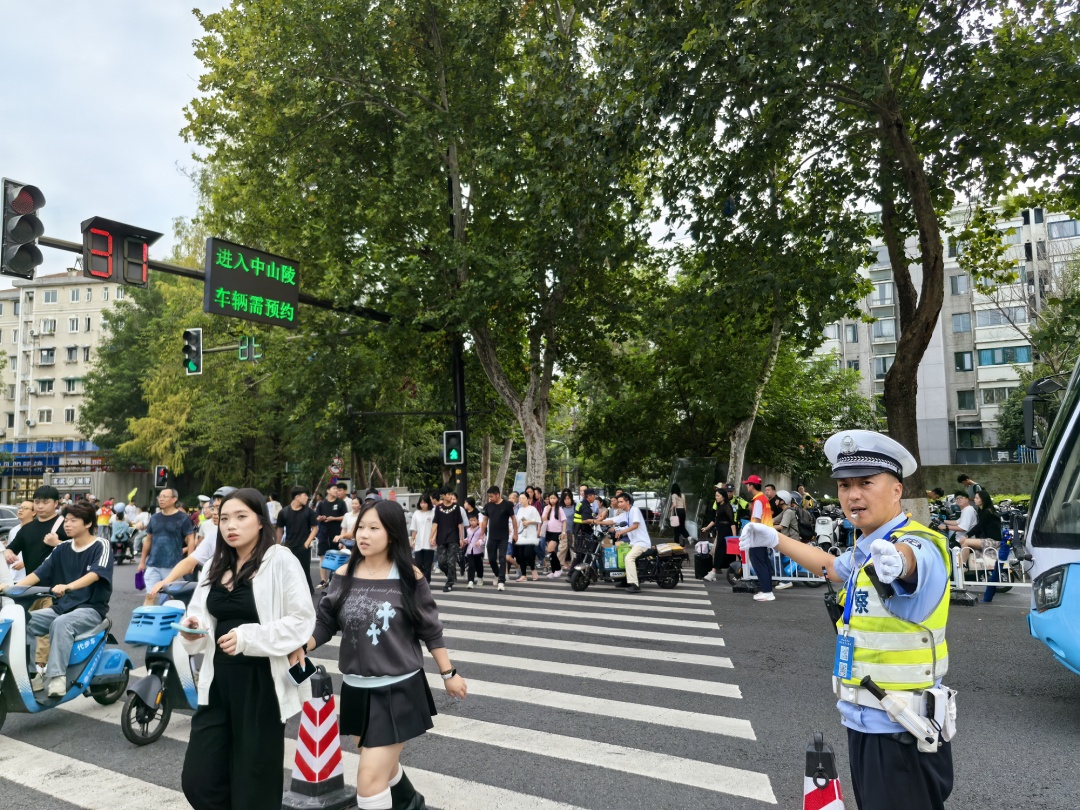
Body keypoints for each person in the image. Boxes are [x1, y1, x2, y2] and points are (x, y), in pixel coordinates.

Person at [739, 429, 955, 810]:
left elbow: (913, 560)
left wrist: (901, 561)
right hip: (869, 720)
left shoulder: (918, 543)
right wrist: (773, 539)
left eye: (866, 483)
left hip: (900, 727)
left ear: (896, 490)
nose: (853, 495)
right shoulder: (867, 547)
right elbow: (831, 567)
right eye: (844, 485)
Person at [300, 499, 466, 810]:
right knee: (377, 759)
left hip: (398, 688)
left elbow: (429, 629)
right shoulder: (346, 572)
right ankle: (410, 802)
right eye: (361, 527)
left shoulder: (408, 575)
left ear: (392, 534)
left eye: (374, 528)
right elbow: (326, 621)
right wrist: (305, 645)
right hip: (356, 687)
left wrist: (449, 674)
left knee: (368, 779)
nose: (363, 534)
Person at [178, 489, 315, 810]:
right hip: (217, 682)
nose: (230, 526)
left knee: (254, 782)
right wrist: (193, 630)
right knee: (199, 780)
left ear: (260, 521)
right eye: (224, 518)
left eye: (241, 517)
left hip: (261, 684)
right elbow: (197, 615)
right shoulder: (213, 564)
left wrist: (247, 638)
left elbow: (301, 620)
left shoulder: (279, 559)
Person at [10, 500, 113, 697]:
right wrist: (13, 588)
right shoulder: (61, 548)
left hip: (90, 608)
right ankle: (33, 674)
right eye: (66, 520)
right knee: (22, 622)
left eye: (73, 520)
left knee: (61, 624)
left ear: (88, 523)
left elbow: (96, 574)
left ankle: (57, 676)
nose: (67, 524)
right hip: (63, 607)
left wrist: (69, 586)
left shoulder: (101, 545)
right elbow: (39, 573)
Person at [5, 486, 70, 671]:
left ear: (56, 503)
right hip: (30, 589)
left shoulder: (65, 524)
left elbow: (79, 550)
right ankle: (29, 668)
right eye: (37, 502)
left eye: (45, 502)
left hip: (55, 589)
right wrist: (9, 553)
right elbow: (12, 547)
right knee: (25, 627)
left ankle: (41, 668)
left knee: (46, 631)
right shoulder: (27, 529)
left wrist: (57, 542)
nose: (40, 506)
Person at [148, 504, 221, 600]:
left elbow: (191, 541)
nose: (215, 513)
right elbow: (190, 560)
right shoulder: (212, 536)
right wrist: (165, 581)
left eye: (218, 508)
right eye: (213, 509)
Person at [139, 488, 196, 606]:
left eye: (165, 496)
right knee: (150, 596)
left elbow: (191, 539)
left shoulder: (183, 518)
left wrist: (190, 561)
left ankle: (170, 623)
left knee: (171, 600)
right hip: (153, 564)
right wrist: (142, 561)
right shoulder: (154, 518)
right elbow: (148, 540)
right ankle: (147, 623)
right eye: (159, 497)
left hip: (173, 566)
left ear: (174, 499)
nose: (161, 499)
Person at [600, 493, 651, 593]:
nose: (619, 504)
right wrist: (597, 521)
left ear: (628, 502)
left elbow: (635, 525)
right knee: (620, 554)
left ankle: (635, 585)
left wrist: (621, 532)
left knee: (628, 558)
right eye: (618, 502)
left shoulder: (634, 510)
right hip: (633, 543)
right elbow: (612, 520)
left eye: (621, 502)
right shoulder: (625, 514)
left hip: (641, 543)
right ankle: (624, 580)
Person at [741, 475, 780, 602]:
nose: (747, 486)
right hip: (765, 535)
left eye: (747, 484)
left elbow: (756, 520)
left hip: (758, 537)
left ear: (751, 486)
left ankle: (767, 592)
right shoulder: (764, 499)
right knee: (764, 564)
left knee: (759, 565)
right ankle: (767, 590)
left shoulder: (758, 500)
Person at [276, 486, 318, 593]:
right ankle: (290, 591)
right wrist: (277, 545)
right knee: (289, 571)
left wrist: (307, 543)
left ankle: (308, 591)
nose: (307, 498)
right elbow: (279, 530)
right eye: (305, 495)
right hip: (289, 546)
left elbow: (315, 528)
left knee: (304, 571)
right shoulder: (284, 512)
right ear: (297, 497)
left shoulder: (309, 512)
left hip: (303, 546)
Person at [479, 485, 517, 592]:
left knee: (502, 558)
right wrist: (482, 533)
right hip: (492, 537)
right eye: (489, 497)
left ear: (497, 494)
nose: (490, 498)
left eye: (491, 496)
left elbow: (513, 519)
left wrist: (515, 534)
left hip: (503, 537)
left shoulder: (507, 505)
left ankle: (501, 581)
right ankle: (497, 574)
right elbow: (485, 520)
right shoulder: (488, 506)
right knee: (491, 559)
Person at [429, 487, 464, 592]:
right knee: (441, 561)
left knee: (451, 561)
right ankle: (451, 575)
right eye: (448, 494)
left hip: (453, 537)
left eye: (451, 494)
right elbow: (435, 523)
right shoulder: (438, 508)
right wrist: (431, 536)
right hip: (441, 537)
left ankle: (449, 583)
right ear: (443, 496)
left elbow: (460, 524)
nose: (450, 496)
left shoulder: (456, 508)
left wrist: (461, 538)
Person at [315, 483, 348, 588]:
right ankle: (323, 580)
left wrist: (333, 518)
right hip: (323, 533)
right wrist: (320, 518)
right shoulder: (321, 503)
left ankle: (335, 580)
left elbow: (345, 516)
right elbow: (316, 517)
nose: (336, 491)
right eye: (334, 489)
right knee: (322, 556)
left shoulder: (341, 503)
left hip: (336, 534)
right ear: (328, 491)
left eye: (337, 489)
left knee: (337, 556)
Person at [703, 487, 736, 582]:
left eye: (718, 496)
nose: (716, 498)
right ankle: (726, 571)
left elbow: (732, 522)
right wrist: (707, 528)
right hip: (720, 531)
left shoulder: (727, 506)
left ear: (723, 497)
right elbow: (715, 520)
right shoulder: (720, 507)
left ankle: (713, 572)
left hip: (726, 532)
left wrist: (733, 538)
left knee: (719, 551)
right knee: (721, 552)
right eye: (715, 496)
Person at [409, 494, 436, 583]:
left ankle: (427, 582)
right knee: (418, 564)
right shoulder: (416, 514)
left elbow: (435, 527)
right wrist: (412, 540)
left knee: (427, 565)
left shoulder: (432, 513)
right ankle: (420, 582)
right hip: (418, 543)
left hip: (429, 544)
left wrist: (434, 538)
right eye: (421, 502)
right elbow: (414, 529)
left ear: (428, 503)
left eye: (425, 502)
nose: (423, 504)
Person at [515, 493, 541, 582]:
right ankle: (523, 575)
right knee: (521, 555)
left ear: (528, 499)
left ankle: (533, 569)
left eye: (523, 498)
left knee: (527, 554)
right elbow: (517, 522)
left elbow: (538, 520)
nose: (521, 500)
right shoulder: (519, 510)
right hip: (521, 535)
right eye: (520, 498)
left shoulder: (532, 509)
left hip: (530, 535)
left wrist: (529, 522)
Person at [542, 492, 566, 578]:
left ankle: (558, 569)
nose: (552, 500)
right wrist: (548, 510)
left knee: (550, 549)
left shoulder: (559, 509)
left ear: (557, 499)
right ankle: (553, 570)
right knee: (550, 552)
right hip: (548, 531)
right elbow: (543, 519)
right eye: (551, 498)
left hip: (557, 532)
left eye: (554, 498)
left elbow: (564, 521)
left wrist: (563, 532)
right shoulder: (546, 508)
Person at [464, 514, 486, 588]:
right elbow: (468, 538)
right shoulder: (468, 530)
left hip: (478, 551)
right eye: (471, 520)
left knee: (479, 565)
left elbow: (483, 538)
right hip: (470, 551)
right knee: (471, 566)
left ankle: (480, 578)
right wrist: (465, 541)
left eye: (474, 520)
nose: (472, 522)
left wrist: (479, 542)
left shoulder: (480, 529)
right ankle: (470, 581)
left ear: (477, 521)